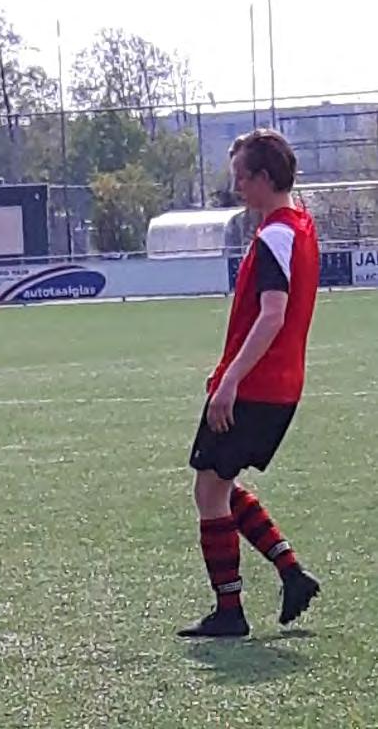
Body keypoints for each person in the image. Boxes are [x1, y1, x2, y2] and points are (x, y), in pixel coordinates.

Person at [178, 129, 320, 638]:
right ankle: (291, 574)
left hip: (257, 386)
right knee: (221, 480)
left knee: (209, 490)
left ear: (263, 177)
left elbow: (273, 315)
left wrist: (230, 381)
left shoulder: (276, 235)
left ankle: (230, 611)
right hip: (279, 386)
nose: (236, 185)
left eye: (241, 175)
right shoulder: (300, 225)